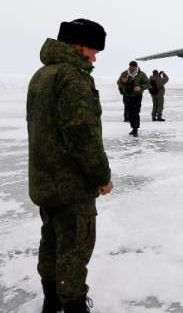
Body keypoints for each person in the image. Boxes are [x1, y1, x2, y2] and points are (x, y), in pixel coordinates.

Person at [27, 19, 113, 313]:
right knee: (74, 251)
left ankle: (51, 303)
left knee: (50, 244)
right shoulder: (73, 78)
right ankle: (74, 306)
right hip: (71, 187)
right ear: (79, 45)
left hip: (44, 181)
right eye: (93, 49)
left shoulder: (42, 75)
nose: (94, 56)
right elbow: (83, 136)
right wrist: (102, 177)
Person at [117, 61, 150, 136]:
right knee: (130, 113)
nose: (133, 68)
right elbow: (118, 82)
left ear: (136, 66)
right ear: (129, 66)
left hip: (137, 96)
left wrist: (141, 87)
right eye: (131, 66)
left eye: (134, 66)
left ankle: (135, 129)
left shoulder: (141, 74)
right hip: (127, 96)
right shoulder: (124, 73)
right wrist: (122, 81)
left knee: (135, 113)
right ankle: (133, 128)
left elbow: (148, 84)